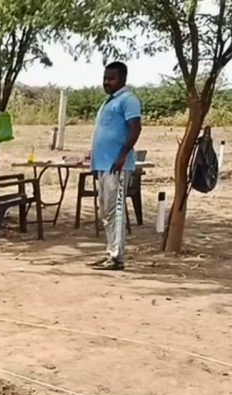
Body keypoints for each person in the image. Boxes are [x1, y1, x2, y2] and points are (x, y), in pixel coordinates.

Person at [88, 61, 142, 272]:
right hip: (103, 164)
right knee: (107, 211)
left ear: (123, 79)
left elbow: (135, 129)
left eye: (111, 78)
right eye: (105, 78)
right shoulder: (109, 101)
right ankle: (110, 252)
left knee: (116, 211)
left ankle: (117, 257)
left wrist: (122, 155)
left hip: (116, 165)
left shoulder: (128, 100)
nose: (107, 82)